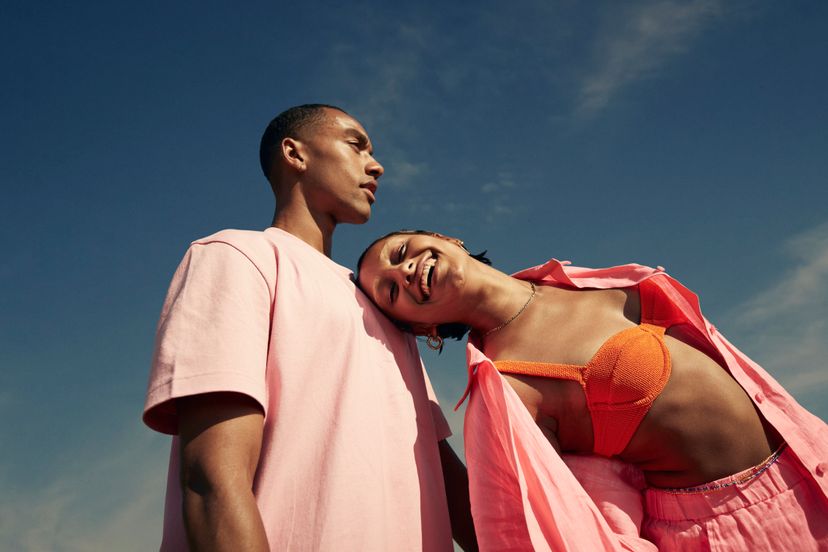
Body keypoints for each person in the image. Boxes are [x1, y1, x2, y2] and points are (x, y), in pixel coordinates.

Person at [357, 229, 828, 551]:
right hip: (733, 531)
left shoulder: (573, 279)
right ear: (426, 331)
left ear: (443, 238)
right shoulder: (507, 389)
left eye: (400, 252)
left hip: (810, 465)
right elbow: (529, 529)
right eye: (391, 292)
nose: (404, 272)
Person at [143, 107, 476, 551]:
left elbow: (436, 468)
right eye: (356, 145)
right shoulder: (238, 256)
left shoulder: (385, 306)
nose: (376, 165)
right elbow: (211, 479)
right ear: (294, 154)